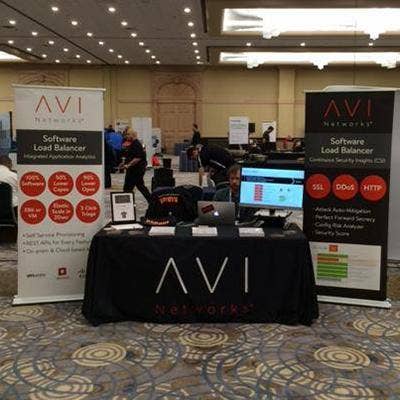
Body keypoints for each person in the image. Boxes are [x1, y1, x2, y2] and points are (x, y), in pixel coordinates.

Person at [121, 128, 152, 202]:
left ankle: (126, 203)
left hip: (135, 170)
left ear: (133, 135)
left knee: (127, 188)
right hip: (135, 170)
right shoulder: (133, 143)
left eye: (128, 134)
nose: (126, 136)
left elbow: (137, 158)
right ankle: (152, 201)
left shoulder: (136, 144)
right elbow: (131, 156)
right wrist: (124, 163)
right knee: (140, 186)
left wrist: (128, 165)